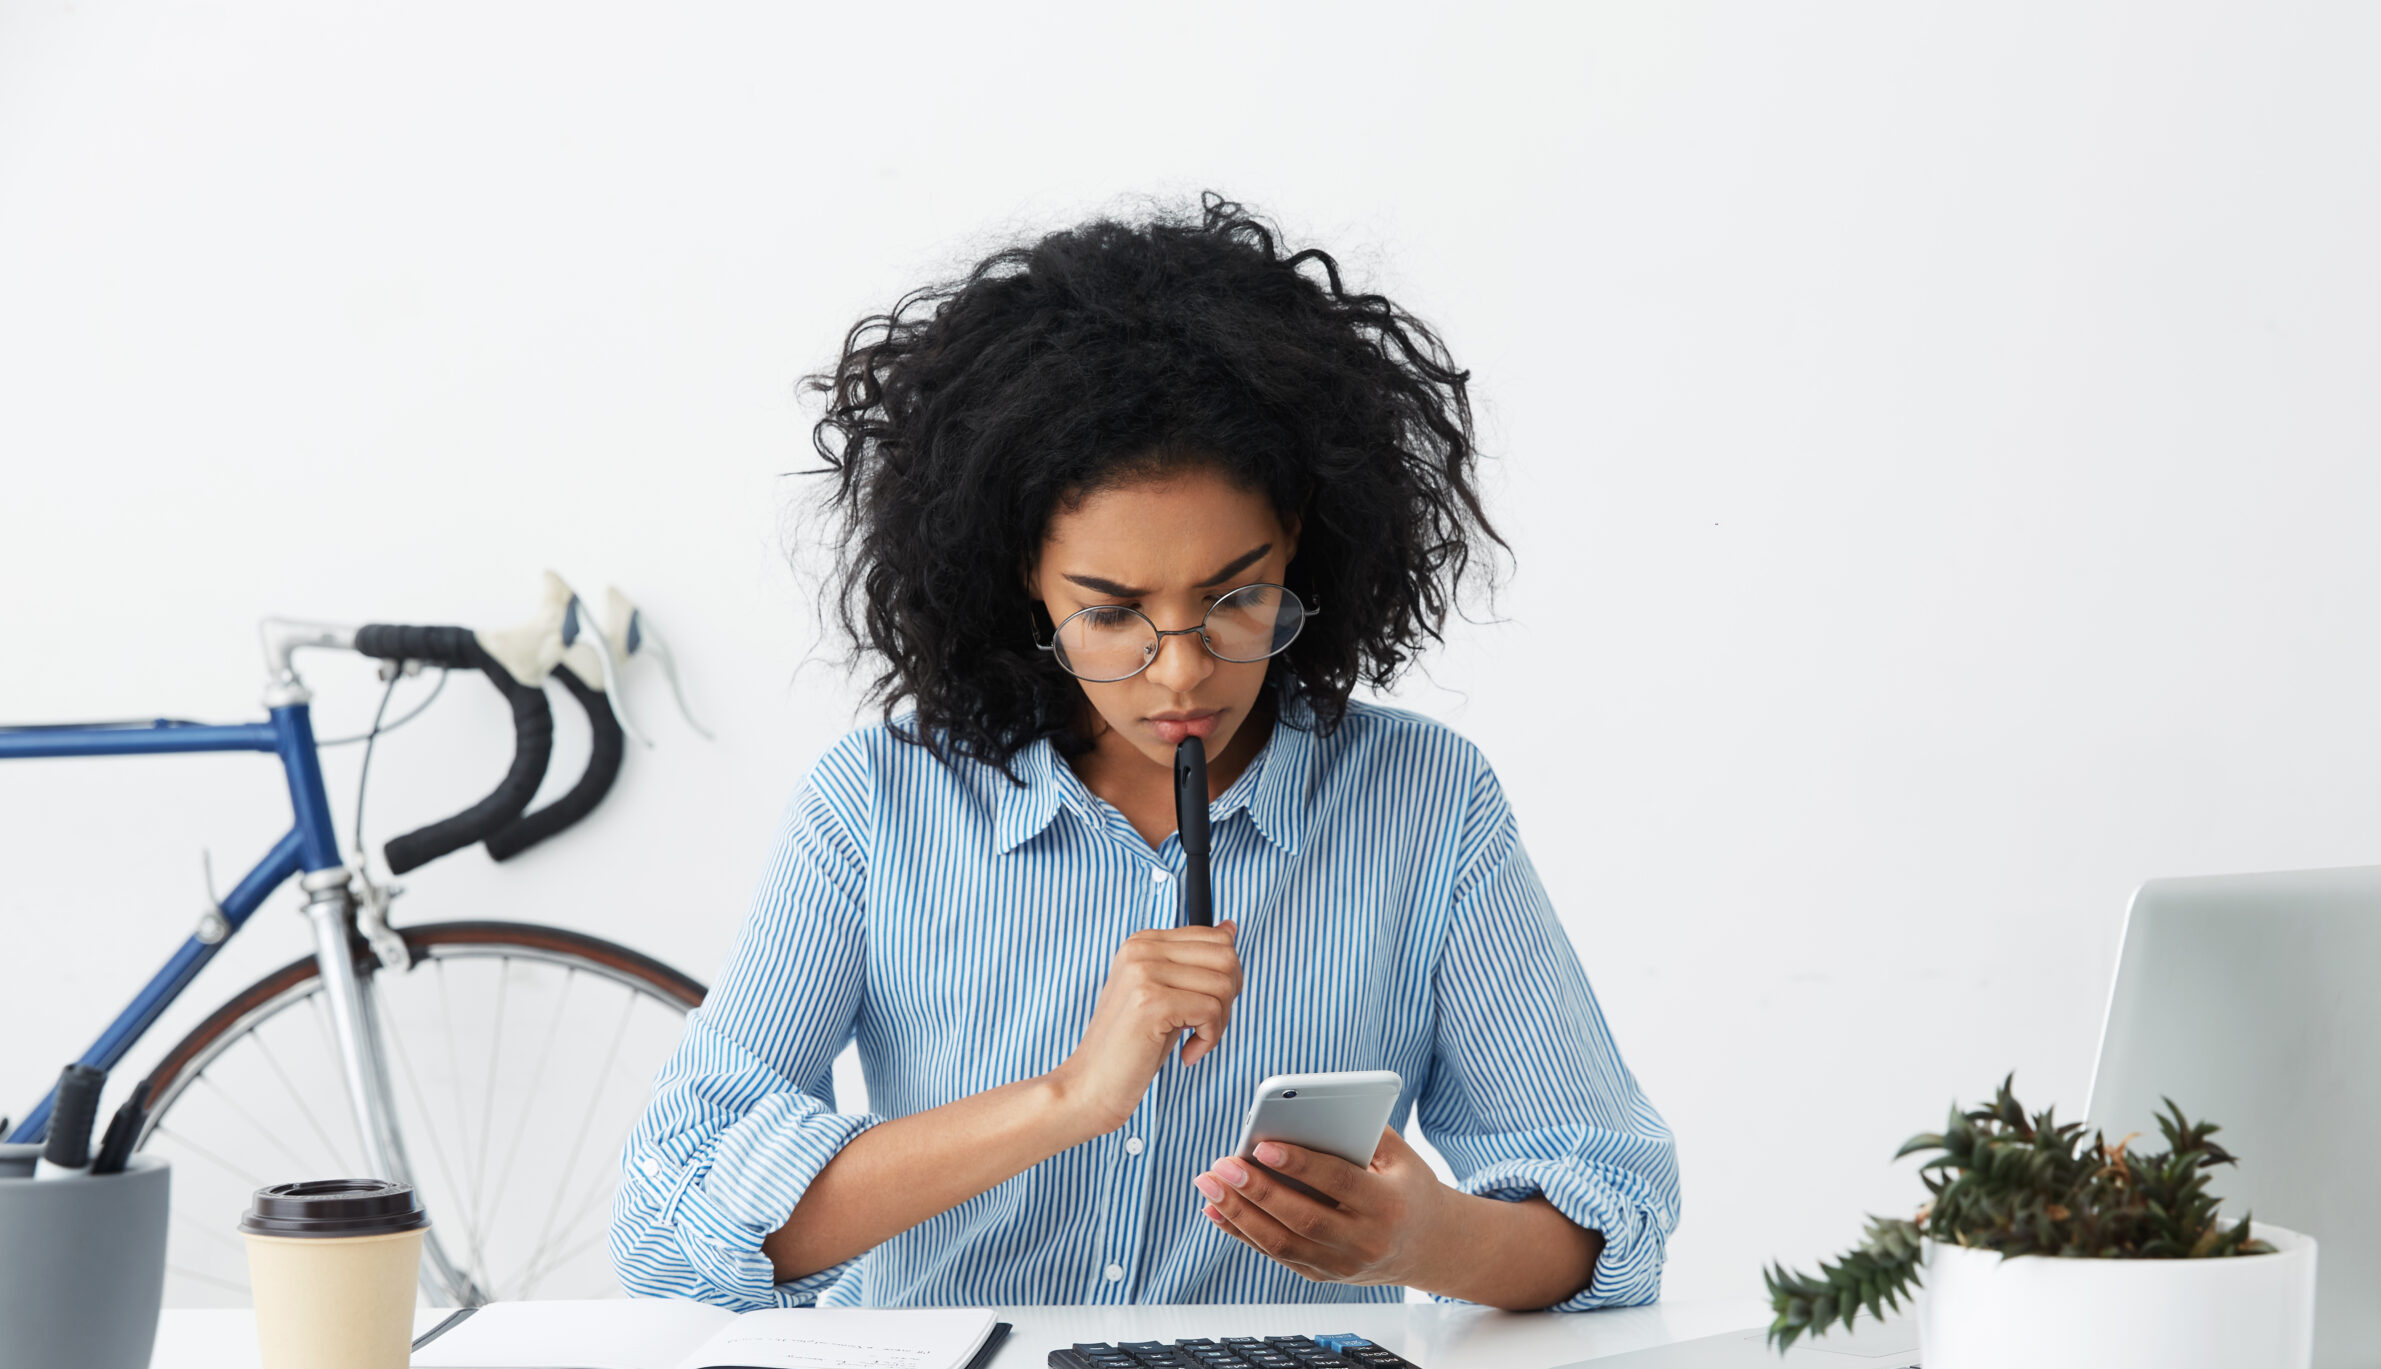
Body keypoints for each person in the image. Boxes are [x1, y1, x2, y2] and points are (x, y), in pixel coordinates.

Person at [613, 196, 1678, 1312]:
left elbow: (1610, 1213)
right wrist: (1069, 1097)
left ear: (1305, 549)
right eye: (1113, 614)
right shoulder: (881, 803)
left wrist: (1423, 1242)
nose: (1181, 675)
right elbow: (670, 1227)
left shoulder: (1425, 803)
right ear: (1018, 574)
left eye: (1235, 596)